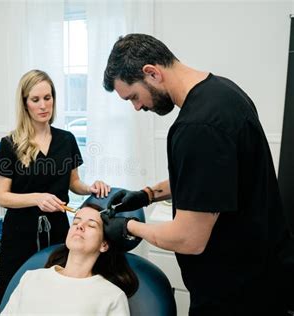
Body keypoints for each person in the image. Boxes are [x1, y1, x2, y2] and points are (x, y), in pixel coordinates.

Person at [101, 33, 294, 315]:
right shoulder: (223, 92)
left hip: (236, 295)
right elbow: (209, 179)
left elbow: (188, 239)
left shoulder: (198, 127)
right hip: (265, 276)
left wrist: (128, 228)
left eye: (133, 97)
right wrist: (146, 195)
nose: (137, 107)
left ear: (151, 73)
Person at [0, 69, 111, 313]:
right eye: (35, 100)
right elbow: (1, 196)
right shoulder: (10, 144)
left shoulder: (66, 140)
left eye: (48, 97)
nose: (44, 105)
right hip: (20, 232)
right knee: (12, 292)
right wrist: (37, 198)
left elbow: (74, 183)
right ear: (25, 103)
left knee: (57, 294)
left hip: (57, 229)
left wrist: (91, 187)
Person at [1, 205, 138, 315]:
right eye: (76, 222)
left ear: (104, 245)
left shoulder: (112, 296)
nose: (79, 226)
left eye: (91, 225)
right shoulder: (31, 277)